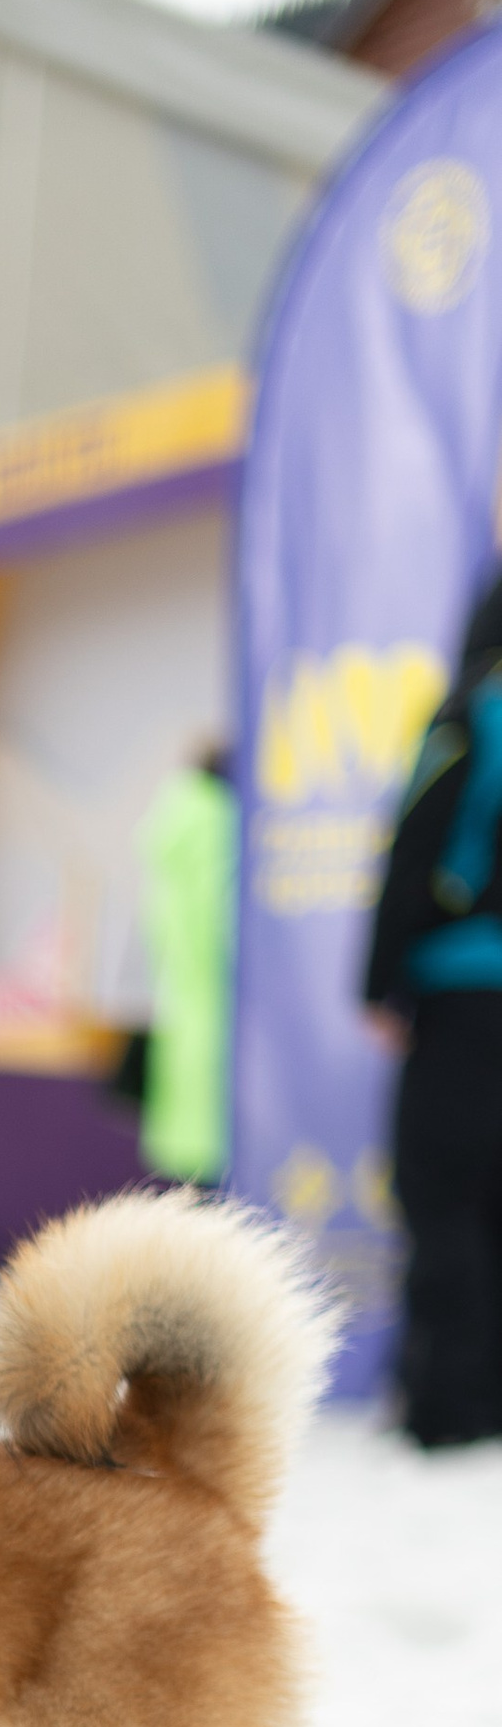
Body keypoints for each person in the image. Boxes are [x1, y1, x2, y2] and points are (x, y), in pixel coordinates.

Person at [365, 573, 502, 1447]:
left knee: (444, 1194)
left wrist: (378, 983)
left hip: (464, 998)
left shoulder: (469, 715)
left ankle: (451, 1408)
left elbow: (416, 843)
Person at [134, 738, 237, 1188]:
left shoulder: (176, 827)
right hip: (223, 1031)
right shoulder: (219, 830)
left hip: (183, 1022)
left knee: (189, 1189)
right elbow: (224, 929)